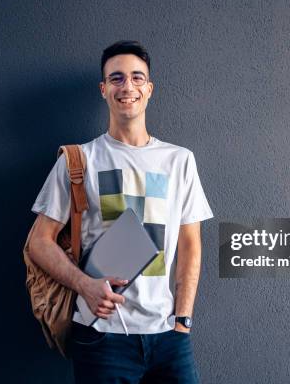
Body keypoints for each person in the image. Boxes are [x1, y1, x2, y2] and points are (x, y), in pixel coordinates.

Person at [28, 40, 213, 383]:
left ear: (150, 89)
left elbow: (190, 244)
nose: (127, 87)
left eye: (137, 78)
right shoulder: (79, 160)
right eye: (117, 78)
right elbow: (39, 242)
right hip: (101, 336)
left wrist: (182, 319)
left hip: (168, 337)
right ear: (103, 89)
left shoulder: (179, 160)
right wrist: (85, 285)